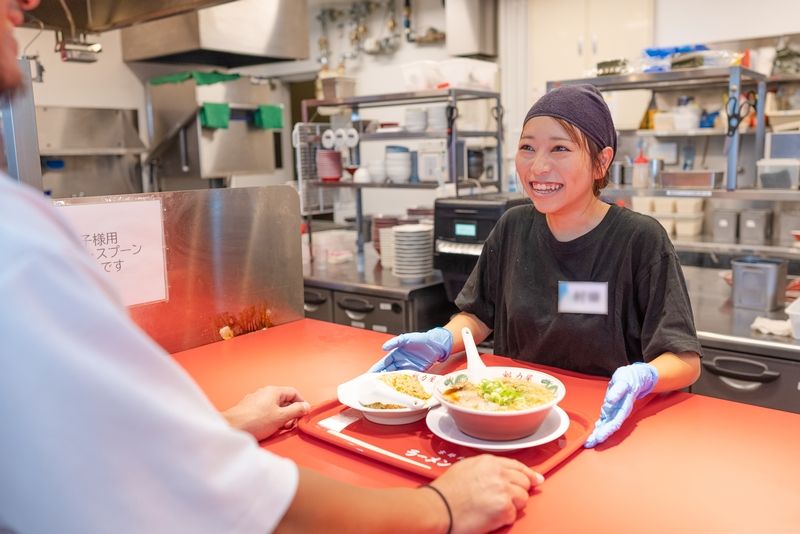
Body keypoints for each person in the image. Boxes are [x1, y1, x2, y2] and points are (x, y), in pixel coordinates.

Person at [0, 2, 542, 532]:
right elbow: (175, 480)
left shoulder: (20, 233)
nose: (27, 4)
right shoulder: (18, 245)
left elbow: (108, 449)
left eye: (560, 149)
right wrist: (439, 508)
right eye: (528, 148)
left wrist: (227, 424)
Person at [371, 84, 702, 448]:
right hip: (512, 416)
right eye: (527, 147)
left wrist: (644, 376)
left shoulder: (639, 239)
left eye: (560, 148)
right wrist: (442, 340)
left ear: (601, 162)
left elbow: (684, 359)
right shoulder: (513, 226)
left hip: (601, 420)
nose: (538, 167)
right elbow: (479, 315)